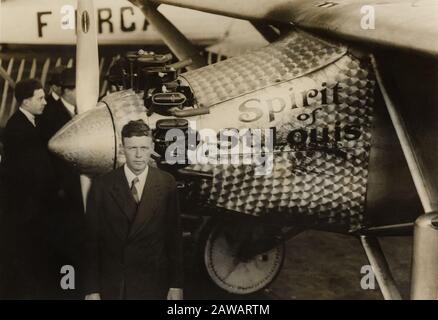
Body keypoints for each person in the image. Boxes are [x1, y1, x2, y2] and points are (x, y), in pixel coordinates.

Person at [85, 120, 183, 300]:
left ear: (152, 147)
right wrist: (92, 290)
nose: (139, 155)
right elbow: (91, 241)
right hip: (115, 286)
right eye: (132, 148)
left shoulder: (166, 183)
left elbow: (174, 238)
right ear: (122, 148)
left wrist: (176, 285)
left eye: (144, 148)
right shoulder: (102, 185)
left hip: (154, 284)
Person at [0, 78, 56, 298]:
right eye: (40, 98)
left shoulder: (31, 122)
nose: (45, 102)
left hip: (32, 208)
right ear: (25, 101)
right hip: (25, 210)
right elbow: (27, 173)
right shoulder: (17, 129)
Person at [38, 67, 85, 299]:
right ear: (63, 91)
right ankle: (66, 284)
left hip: (78, 187)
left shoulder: (82, 110)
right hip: (63, 189)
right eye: (75, 89)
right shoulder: (50, 115)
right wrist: (59, 188)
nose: (80, 92)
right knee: (65, 236)